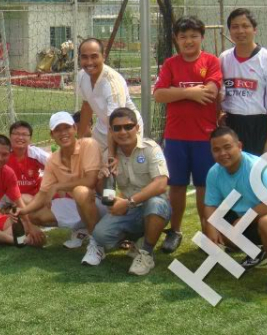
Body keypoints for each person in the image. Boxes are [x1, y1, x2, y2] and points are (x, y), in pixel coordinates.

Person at [153, 16, 222, 254]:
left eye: (193, 36)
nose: (189, 41)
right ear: (176, 40)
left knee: (205, 187)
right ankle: (175, 230)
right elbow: (159, 95)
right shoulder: (170, 64)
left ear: (202, 37)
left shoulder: (211, 61)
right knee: (177, 187)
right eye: (183, 37)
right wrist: (191, 92)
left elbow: (210, 92)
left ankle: (207, 232)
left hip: (204, 138)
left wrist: (178, 92)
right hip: (175, 137)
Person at [204, 127, 267, 294]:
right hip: (252, 219)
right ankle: (260, 252)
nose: (222, 153)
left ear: (239, 146)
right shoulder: (214, 172)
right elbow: (210, 205)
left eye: (227, 147)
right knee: (222, 229)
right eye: (216, 149)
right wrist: (211, 228)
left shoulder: (256, 166)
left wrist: (243, 220)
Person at [16, 112, 106, 265]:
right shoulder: (53, 159)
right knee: (34, 213)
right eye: (58, 130)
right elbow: (43, 194)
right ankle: (83, 228)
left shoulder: (88, 144)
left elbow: (90, 181)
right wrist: (22, 211)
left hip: (102, 203)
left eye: (67, 128)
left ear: (75, 129)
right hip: (78, 205)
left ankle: (97, 244)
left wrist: (58, 185)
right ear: (52, 134)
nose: (63, 133)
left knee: (80, 191)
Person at [90, 108, 171, 275]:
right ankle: (138, 240)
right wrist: (102, 178)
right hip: (129, 209)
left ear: (137, 128)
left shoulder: (150, 148)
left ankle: (146, 253)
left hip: (152, 206)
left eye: (128, 126)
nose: (123, 132)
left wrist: (129, 202)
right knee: (101, 235)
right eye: (117, 128)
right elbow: (106, 195)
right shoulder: (109, 155)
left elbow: (161, 183)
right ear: (111, 131)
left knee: (155, 203)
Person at [220, 8, 267, 155]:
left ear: (254, 29)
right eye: (235, 27)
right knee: (233, 174)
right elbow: (220, 92)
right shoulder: (224, 58)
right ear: (229, 31)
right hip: (232, 125)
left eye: (245, 26)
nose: (240, 31)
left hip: (259, 125)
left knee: (259, 175)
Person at [76, 38, 142, 155]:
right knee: (86, 157)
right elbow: (86, 106)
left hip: (125, 128)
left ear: (103, 56)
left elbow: (117, 122)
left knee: (116, 165)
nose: (89, 62)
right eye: (84, 57)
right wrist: (79, 140)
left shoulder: (112, 84)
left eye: (94, 56)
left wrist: (112, 156)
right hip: (103, 126)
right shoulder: (81, 76)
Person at [6, 121, 50, 202]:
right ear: (10, 136)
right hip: (9, 197)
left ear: (30, 139)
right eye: (16, 134)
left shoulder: (35, 154)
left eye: (24, 134)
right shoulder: (3, 154)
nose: (20, 137)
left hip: (33, 196)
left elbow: (56, 165)